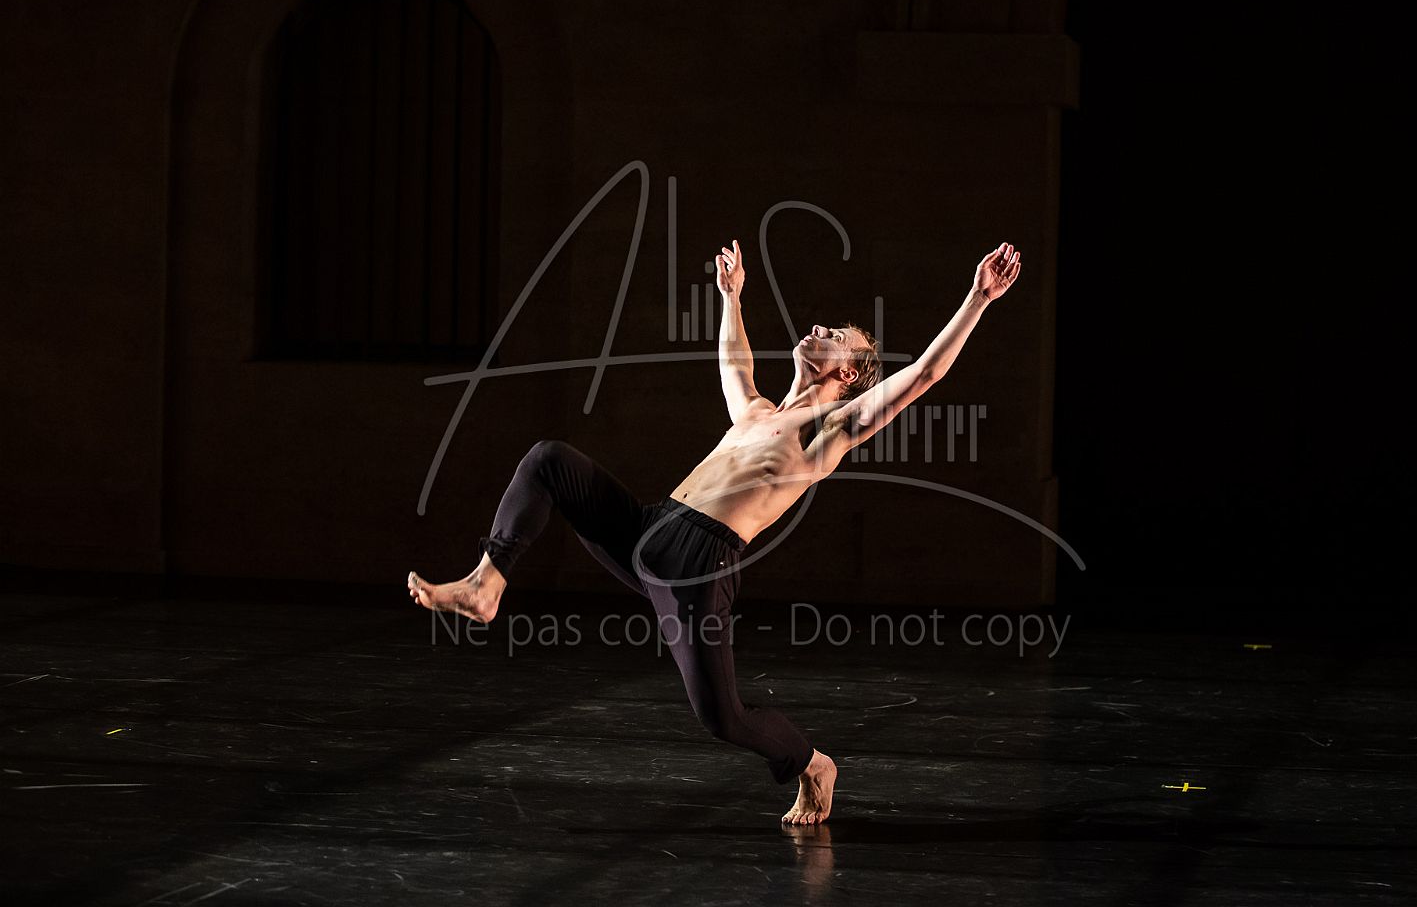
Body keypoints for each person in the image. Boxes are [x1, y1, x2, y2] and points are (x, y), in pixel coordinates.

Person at [408, 239, 1022, 825]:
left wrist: (978, 298)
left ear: (851, 373)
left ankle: (812, 763)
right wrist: (732, 298)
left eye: (837, 338)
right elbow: (735, 365)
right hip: (650, 530)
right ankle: (487, 583)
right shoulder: (757, 413)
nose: (819, 329)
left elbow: (924, 374)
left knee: (722, 718)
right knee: (550, 460)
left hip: (700, 565)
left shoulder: (828, 430)